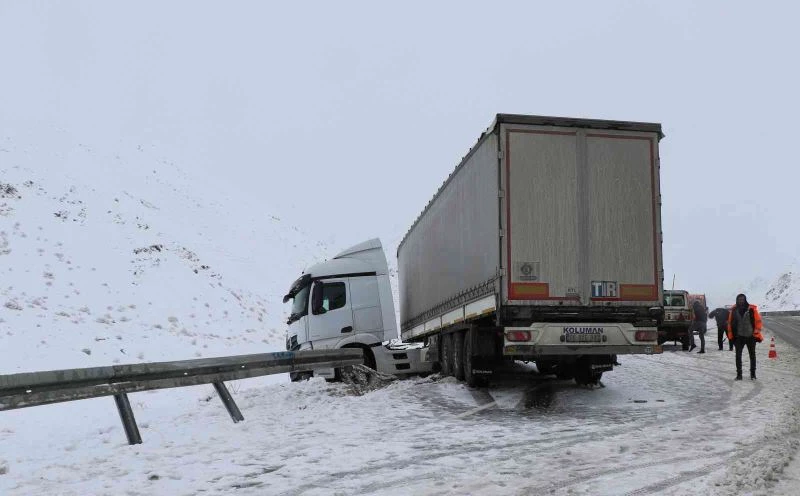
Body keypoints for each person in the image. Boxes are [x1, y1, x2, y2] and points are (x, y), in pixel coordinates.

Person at [726, 293, 764, 380]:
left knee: (752, 356)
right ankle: (739, 375)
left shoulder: (751, 309)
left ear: (745, 300)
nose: (741, 301)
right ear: (737, 300)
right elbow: (730, 324)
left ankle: (753, 374)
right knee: (738, 356)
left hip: (751, 337)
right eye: (739, 299)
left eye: (742, 299)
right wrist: (731, 337)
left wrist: (756, 334)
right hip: (739, 337)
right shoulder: (734, 310)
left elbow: (758, 322)